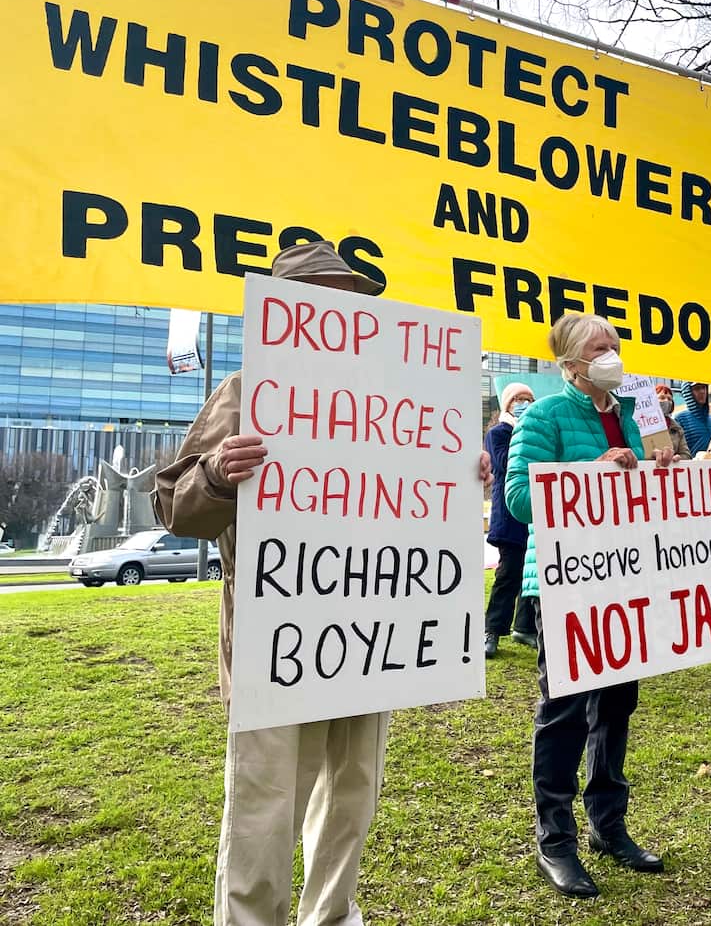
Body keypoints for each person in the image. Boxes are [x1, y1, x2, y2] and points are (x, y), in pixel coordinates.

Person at [152, 241, 493, 925]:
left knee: (353, 793)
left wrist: (464, 478)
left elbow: (412, 506)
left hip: (373, 630)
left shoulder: (400, 395)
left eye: (353, 297)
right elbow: (173, 506)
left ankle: (332, 916)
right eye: (324, 296)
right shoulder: (251, 389)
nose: (342, 310)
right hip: (278, 639)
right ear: (286, 310)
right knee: (266, 800)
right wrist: (218, 474)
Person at [504, 314, 676, 898]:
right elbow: (521, 498)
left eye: (616, 345)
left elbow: (656, 487)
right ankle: (555, 839)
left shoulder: (636, 414)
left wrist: (666, 469)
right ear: (572, 364)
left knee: (618, 702)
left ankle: (609, 824)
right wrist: (589, 472)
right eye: (600, 347)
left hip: (627, 574)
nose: (613, 354)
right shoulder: (544, 415)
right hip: (566, 579)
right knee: (565, 707)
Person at [484, 382, 538, 657]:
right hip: (508, 513)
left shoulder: (537, 432)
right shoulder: (498, 433)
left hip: (533, 513)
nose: (523, 402)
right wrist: (526, 438)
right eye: (517, 398)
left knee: (531, 573)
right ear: (506, 404)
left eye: (528, 398)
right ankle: (492, 629)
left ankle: (525, 627)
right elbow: (505, 463)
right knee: (509, 572)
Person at [675, 381, 711, 455]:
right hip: (691, 465)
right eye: (697, 388)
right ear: (688, 392)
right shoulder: (680, 419)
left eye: (704, 387)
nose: (702, 391)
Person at [654, 383, 693, 460]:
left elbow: (686, 454)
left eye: (669, 399)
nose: (666, 401)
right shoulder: (642, 425)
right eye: (662, 398)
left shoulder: (677, 429)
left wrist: (679, 458)